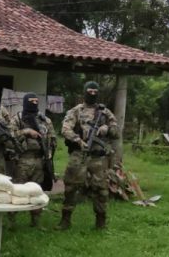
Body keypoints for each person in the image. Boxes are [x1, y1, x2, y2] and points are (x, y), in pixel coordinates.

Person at [59, 81, 119, 230]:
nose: (92, 94)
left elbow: (116, 132)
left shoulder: (105, 112)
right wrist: (78, 140)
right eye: (89, 91)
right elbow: (65, 129)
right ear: (84, 93)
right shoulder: (76, 111)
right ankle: (65, 220)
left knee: (101, 190)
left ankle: (101, 222)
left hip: (98, 158)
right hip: (79, 154)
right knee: (70, 188)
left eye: (95, 92)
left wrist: (107, 128)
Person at [10, 93, 56, 227]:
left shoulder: (44, 120)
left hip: (39, 161)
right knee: (18, 190)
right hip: (23, 160)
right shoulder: (18, 118)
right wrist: (25, 132)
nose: (34, 103)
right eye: (31, 101)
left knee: (37, 191)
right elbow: (10, 135)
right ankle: (12, 221)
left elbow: (53, 138)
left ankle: (36, 222)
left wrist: (49, 152)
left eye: (36, 101)